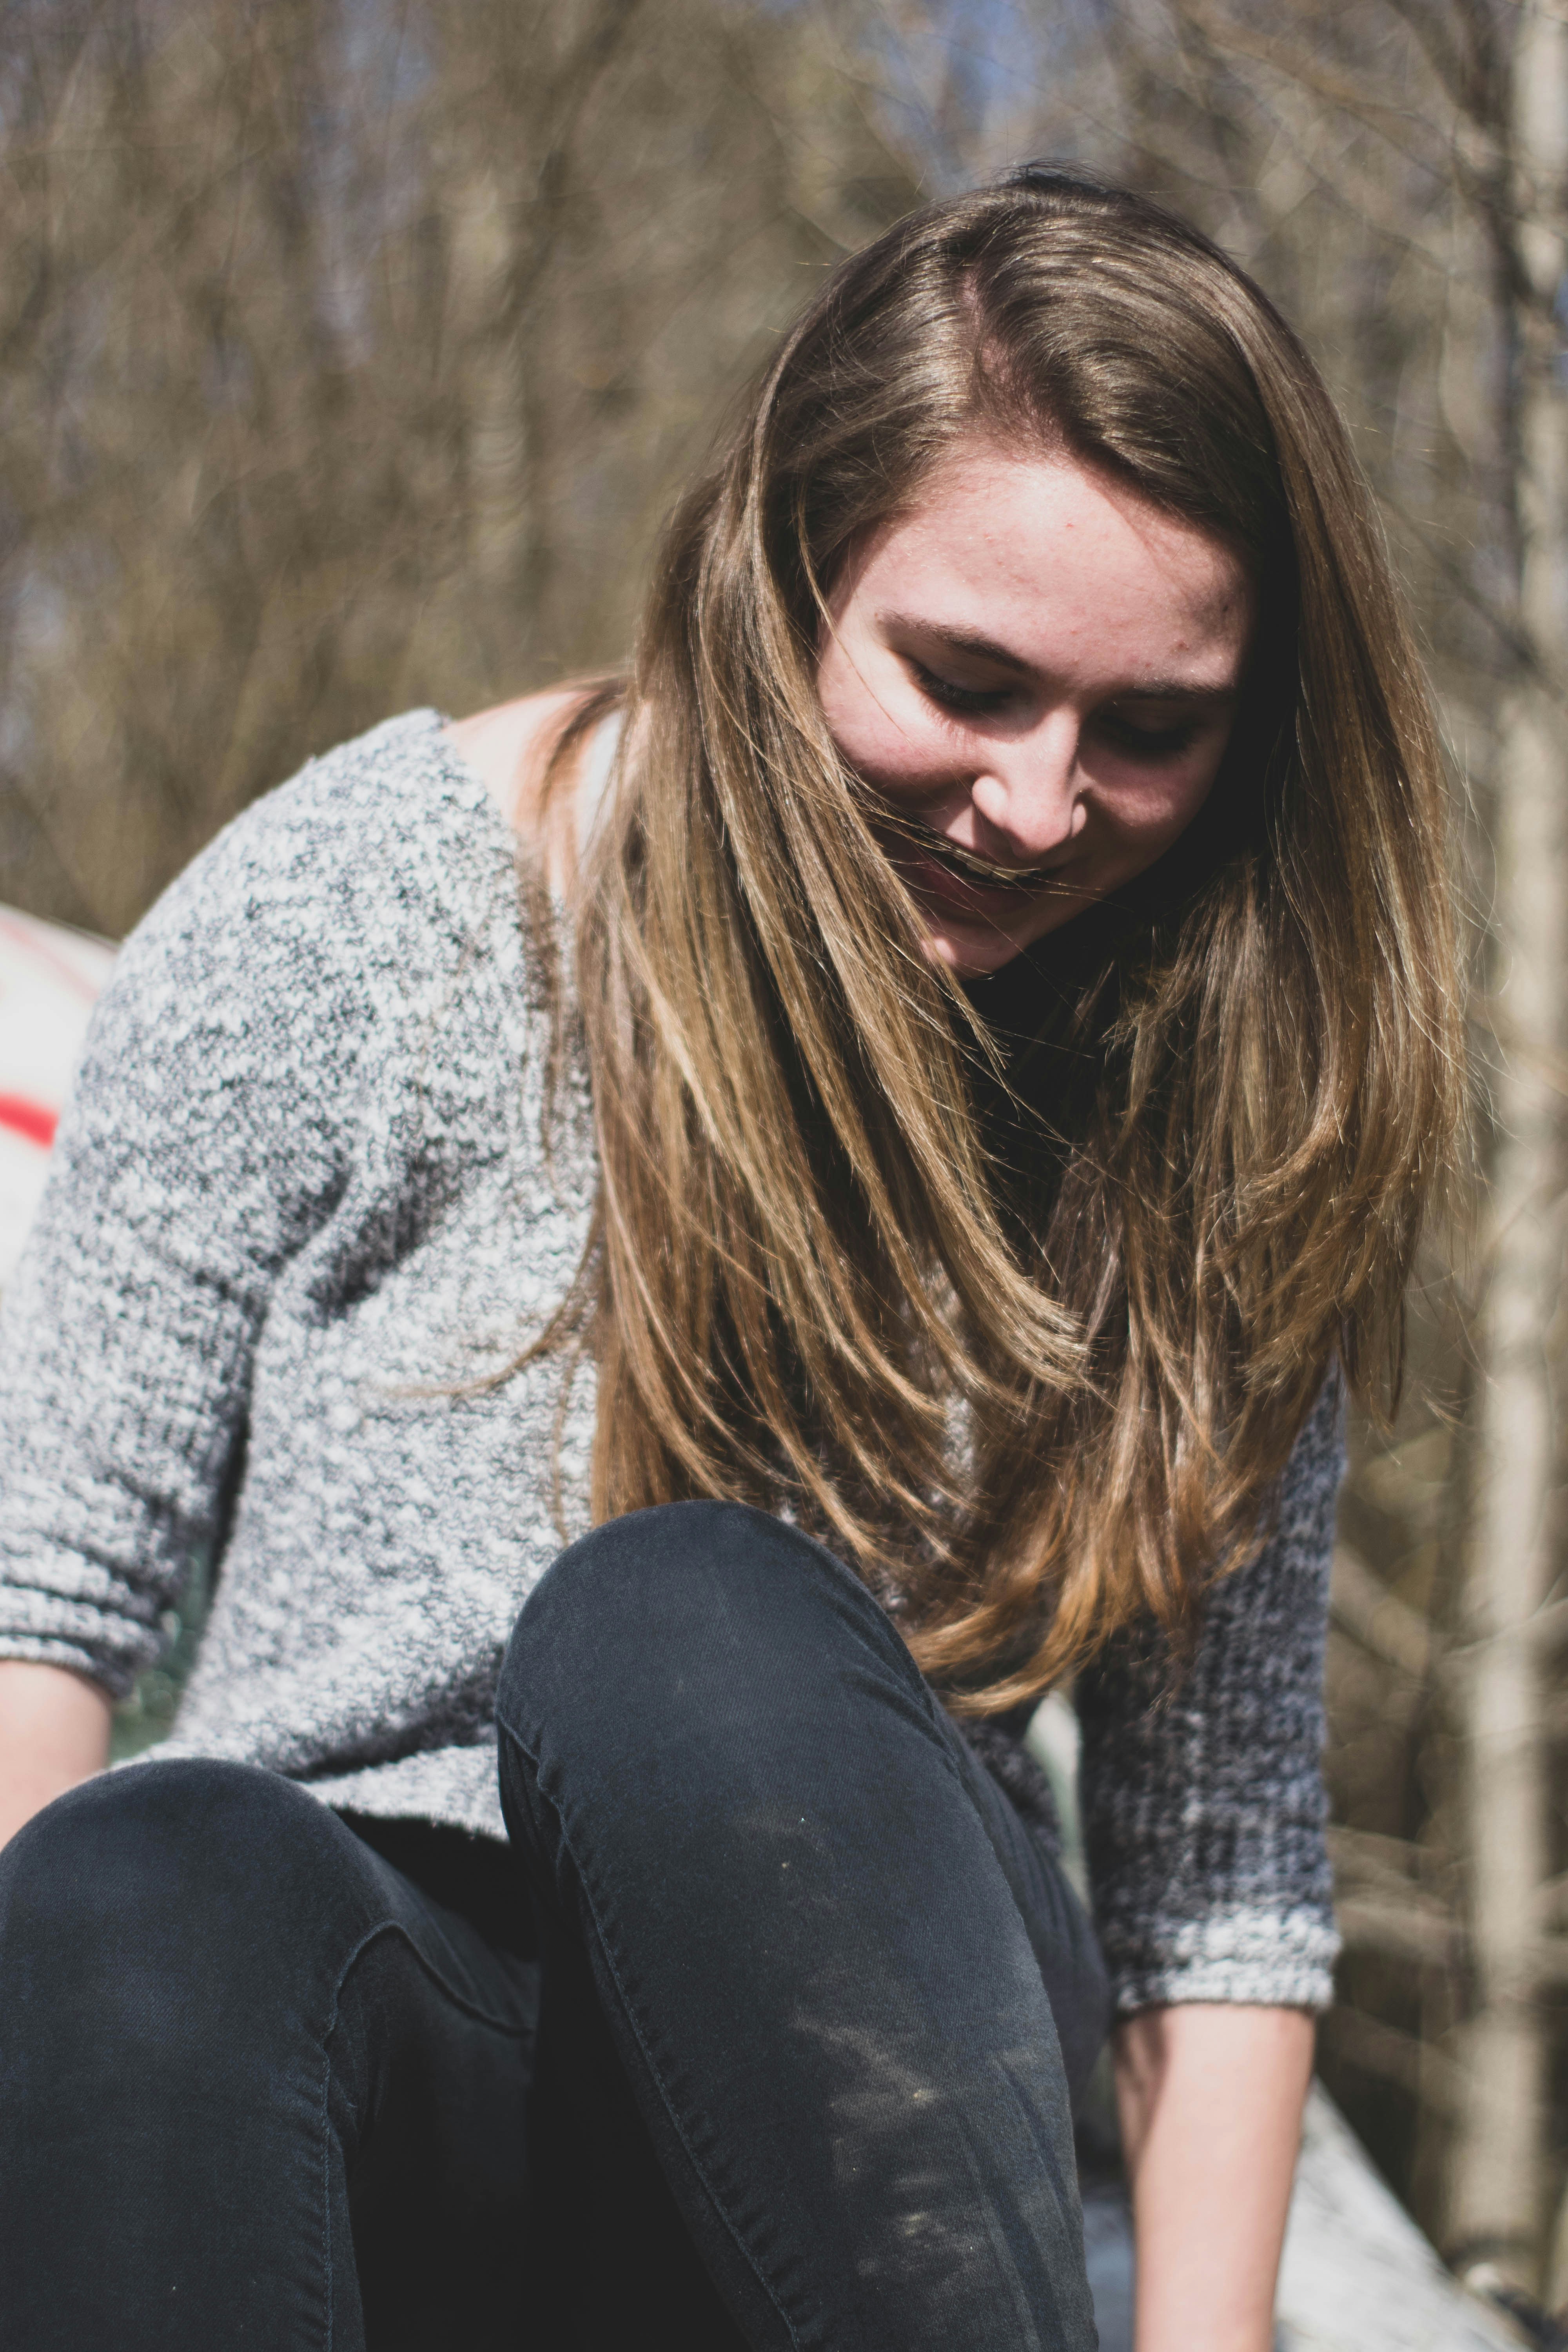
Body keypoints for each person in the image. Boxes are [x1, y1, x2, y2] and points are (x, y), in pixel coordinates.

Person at [0, 165, 1460, 2351]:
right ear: (780, 574)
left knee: (677, 1627)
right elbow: (42, 1591)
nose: (1036, 807)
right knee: (127, 1876)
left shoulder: (1211, 1096)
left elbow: (1215, 1877)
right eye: (963, 682)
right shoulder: (360, 916)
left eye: (1146, 730)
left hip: (864, 2076)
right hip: (392, 2067)